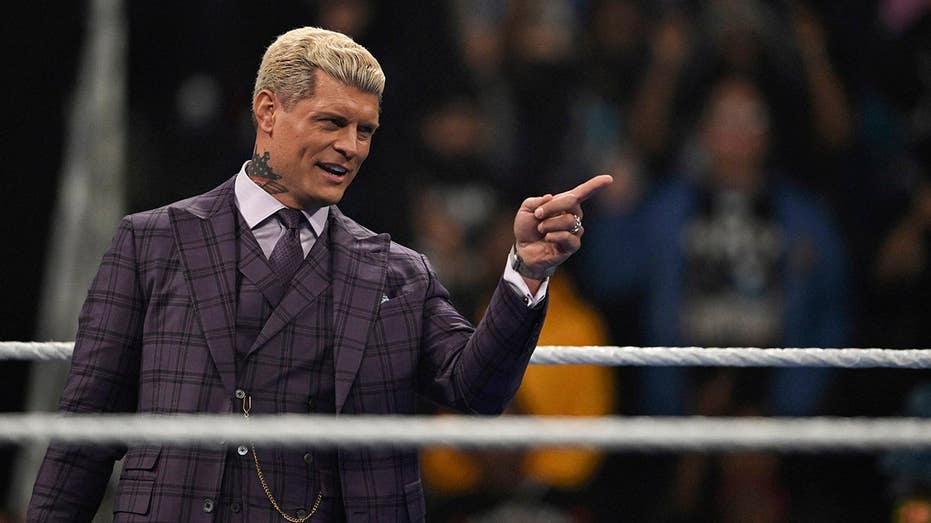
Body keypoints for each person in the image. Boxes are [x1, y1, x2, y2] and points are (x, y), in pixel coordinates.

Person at [26, 27, 612, 522]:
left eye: (365, 131)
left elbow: (476, 390)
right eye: (332, 122)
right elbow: (84, 434)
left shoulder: (398, 275)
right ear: (267, 111)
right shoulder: (151, 243)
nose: (351, 147)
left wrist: (525, 271)